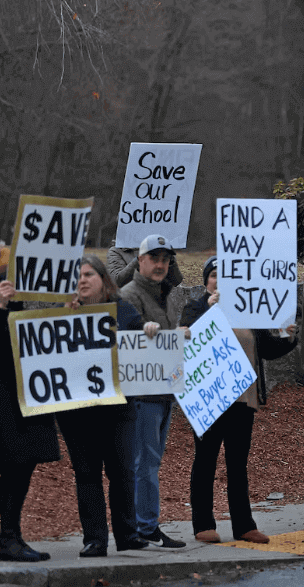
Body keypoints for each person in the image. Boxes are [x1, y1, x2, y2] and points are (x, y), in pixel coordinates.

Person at [179, 257, 297, 544]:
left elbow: (266, 348)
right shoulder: (195, 307)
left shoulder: (247, 310)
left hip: (244, 399)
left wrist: (289, 336)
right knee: (206, 460)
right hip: (210, 397)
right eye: (214, 275)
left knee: (238, 464)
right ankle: (203, 523)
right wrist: (209, 309)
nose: (220, 281)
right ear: (206, 281)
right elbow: (185, 338)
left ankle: (244, 525)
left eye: (226, 276)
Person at [57, 256, 149, 557]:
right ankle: (95, 539)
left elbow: (142, 342)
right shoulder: (61, 316)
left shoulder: (123, 310)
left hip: (118, 410)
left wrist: (150, 330)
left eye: (87, 274)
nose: (82, 281)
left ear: (102, 279)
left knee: (122, 472)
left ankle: (127, 535)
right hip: (77, 413)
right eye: (76, 277)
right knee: (87, 475)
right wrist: (64, 321)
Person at [0, 279, 59, 561]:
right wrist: (1, 305)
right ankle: (7, 538)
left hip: (33, 395)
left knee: (24, 466)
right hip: (7, 399)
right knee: (15, 464)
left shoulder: (35, 299)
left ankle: (12, 536)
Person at [117, 234, 187, 548]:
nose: (160, 265)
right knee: (146, 461)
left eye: (165, 260)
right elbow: (123, 339)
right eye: (154, 258)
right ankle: (146, 527)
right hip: (142, 393)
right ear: (140, 260)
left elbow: (168, 339)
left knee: (150, 461)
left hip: (164, 389)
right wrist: (141, 329)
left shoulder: (168, 294)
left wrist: (177, 334)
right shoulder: (129, 294)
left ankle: (145, 525)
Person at [107, 239, 183, 289]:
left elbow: (176, 281)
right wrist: (139, 260)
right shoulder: (115, 251)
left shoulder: (161, 249)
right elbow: (117, 281)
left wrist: (170, 260)